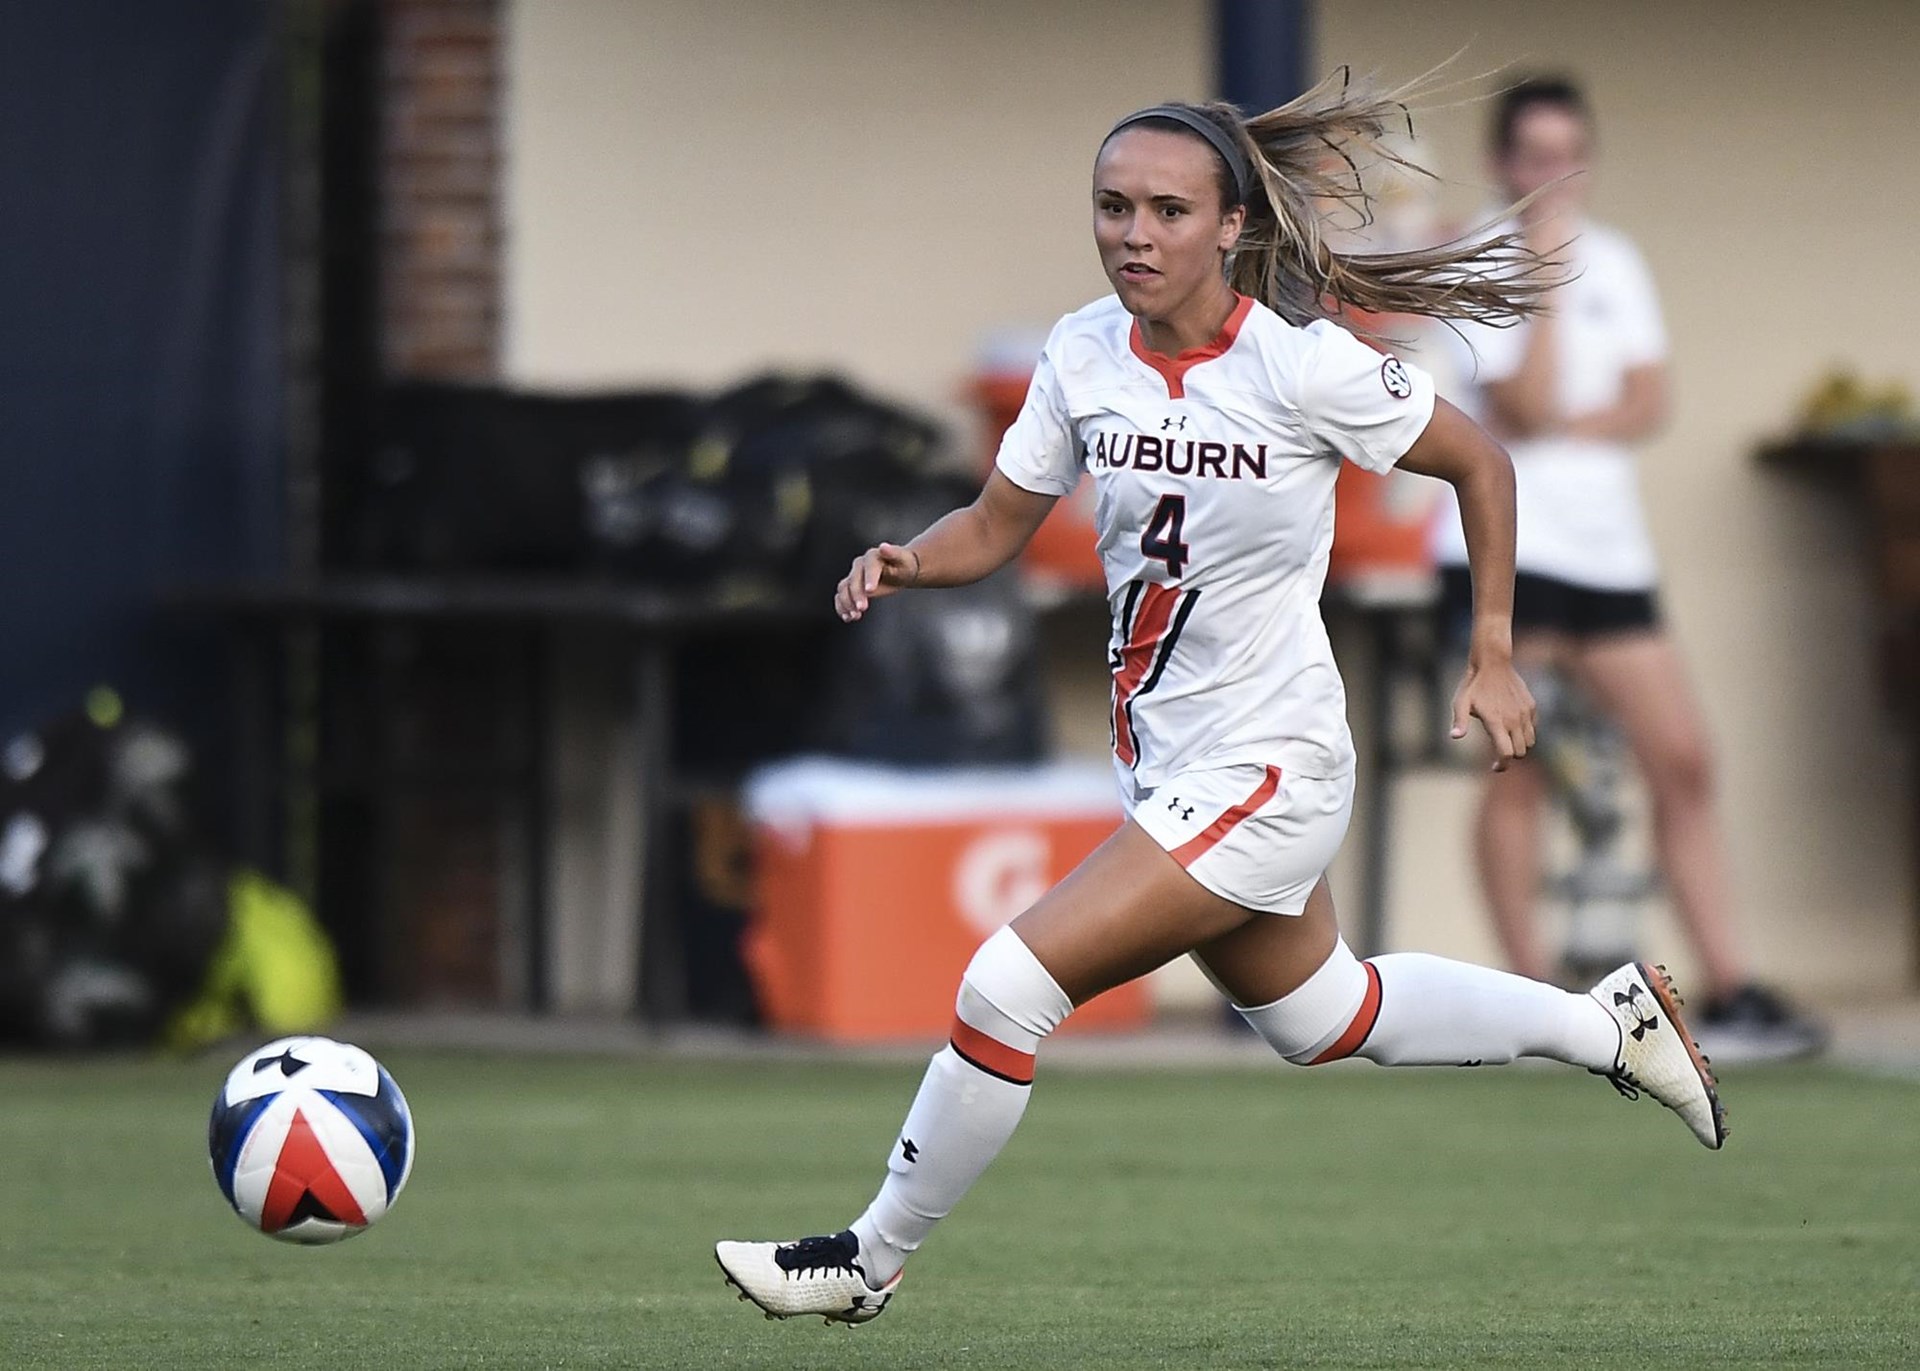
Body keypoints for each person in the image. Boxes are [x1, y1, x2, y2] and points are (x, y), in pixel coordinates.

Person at [716, 73, 1726, 1328]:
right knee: (1325, 1016)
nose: (1133, 234)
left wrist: (1495, 647)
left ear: (1232, 226)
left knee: (1004, 987)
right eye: (1112, 207)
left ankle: (865, 1262)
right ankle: (1608, 1026)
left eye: (1165, 211)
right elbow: (995, 522)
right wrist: (913, 558)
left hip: (1273, 763)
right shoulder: (1083, 351)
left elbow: (1481, 458)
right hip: (1172, 760)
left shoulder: (1305, 368)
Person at [1431, 76, 1824, 1060]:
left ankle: (1726, 986)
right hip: (1507, 553)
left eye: (1571, 154)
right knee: (1519, 773)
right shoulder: (1480, 257)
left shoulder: (1621, 259)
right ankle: (1529, 998)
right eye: (1535, 155)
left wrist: (1572, 413)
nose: (1555, 175)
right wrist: (1547, 278)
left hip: (1609, 555)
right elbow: (1519, 403)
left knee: (1683, 759)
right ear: (1501, 165)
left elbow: (1650, 398)